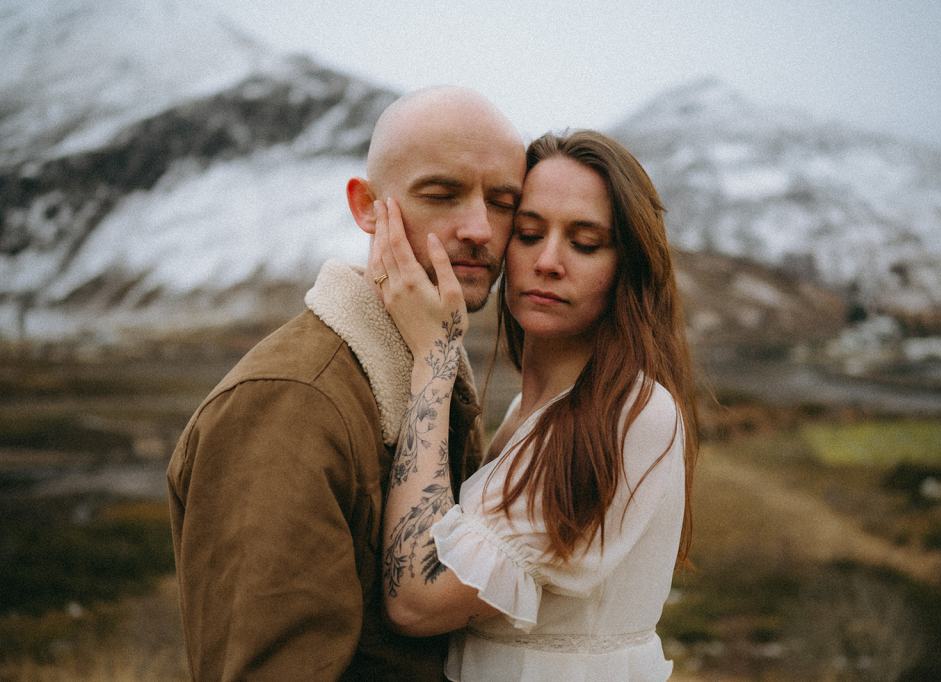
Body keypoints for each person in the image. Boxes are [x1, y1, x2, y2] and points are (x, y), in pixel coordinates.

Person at [165, 86, 526, 680]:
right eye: (442, 194)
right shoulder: (289, 404)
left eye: (503, 201)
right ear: (365, 207)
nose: (480, 229)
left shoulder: (429, 372)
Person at [373, 129, 700, 681]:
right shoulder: (526, 413)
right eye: (528, 234)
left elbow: (417, 600)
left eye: (586, 242)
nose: (548, 261)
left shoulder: (631, 413)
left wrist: (435, 355)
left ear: (628, 266)